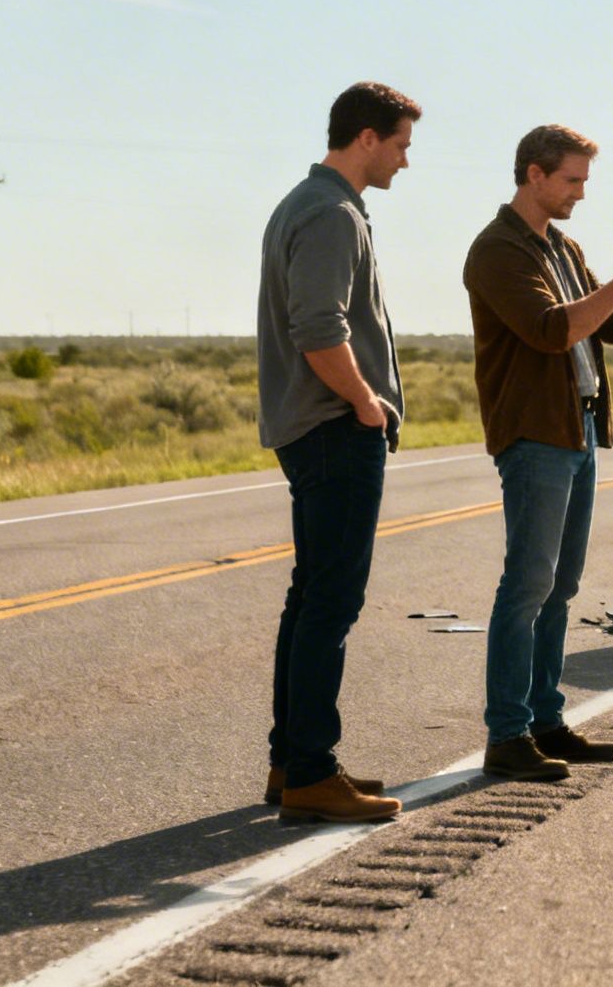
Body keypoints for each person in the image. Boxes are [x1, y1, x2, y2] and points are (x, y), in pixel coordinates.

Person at [462, 124, 613, 781]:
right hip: (533, 435)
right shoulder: (497, 250)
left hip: (578, 430)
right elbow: (554, 331)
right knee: (527, 585)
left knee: (561, 587)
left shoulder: (563, 247)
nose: (581, 193)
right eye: (572, 180)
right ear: (534, 175)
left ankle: (547, 722)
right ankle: (507, 736)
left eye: (584, 181)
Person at [255, 81, 420, 823]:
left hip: (310, 428)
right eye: (400, 145)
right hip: (333, 428)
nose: (404, 161)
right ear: (365, 138)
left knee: (309, 597)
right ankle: (314, 772)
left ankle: (292, 763)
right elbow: (318, 326)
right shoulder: (331, 212)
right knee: (331, 603)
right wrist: (364, 401)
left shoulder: (308, 203)